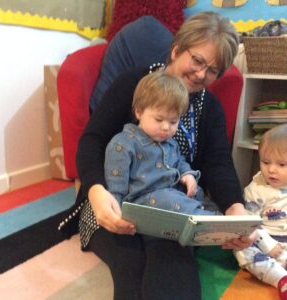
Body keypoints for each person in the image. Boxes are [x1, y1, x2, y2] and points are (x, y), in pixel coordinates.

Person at [59, 11, 255, 300]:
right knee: (131, 261)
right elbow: (92, 140)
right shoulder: (135, 84)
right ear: (176, 50)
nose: (202, 74)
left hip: (173, 208)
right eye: (197, 60)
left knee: (170, 255)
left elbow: (218, 163)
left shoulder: (208, 107)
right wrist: (97, 192)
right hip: (114, 200)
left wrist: (235, 210)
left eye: (212, 70)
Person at [105, 71, 214, 215]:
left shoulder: (169, 142)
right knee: (170, 200)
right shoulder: (122, 144)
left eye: (173, 121)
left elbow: (179, 161)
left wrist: (187, 174)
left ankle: (218, 220)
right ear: (139, 112)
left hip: (174, 194)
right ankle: (209, 223)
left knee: (199, 193)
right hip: (144, 202)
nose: (166, 127)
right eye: (159, 119)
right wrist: (116, 215)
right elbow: (116, 186)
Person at [234, 124, 287, 300]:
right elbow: (249, 224)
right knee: (243, 251)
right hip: (263, 243)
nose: (271, 169)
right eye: (265, 162)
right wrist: (267, 244)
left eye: (281, 164)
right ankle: (281, 279)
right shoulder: (255, 190)